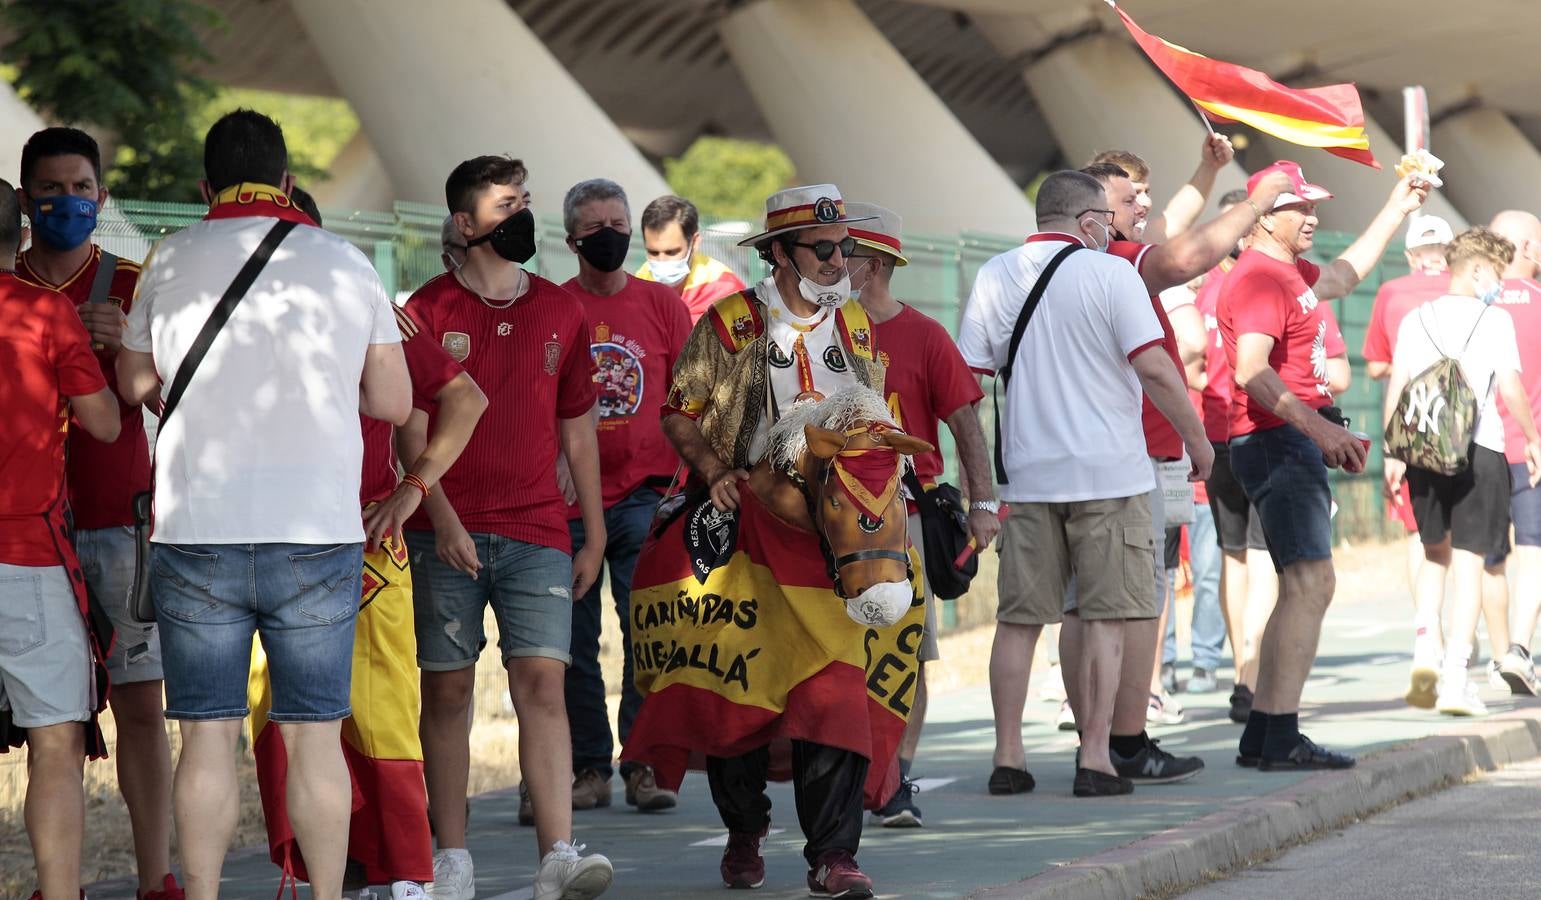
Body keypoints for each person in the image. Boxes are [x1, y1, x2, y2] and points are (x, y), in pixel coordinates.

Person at [115, 109, 413, 900]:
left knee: (206, 739)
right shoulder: (345, 262)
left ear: (205, 186)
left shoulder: (167, 259)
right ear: (286, 182)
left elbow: (136, 384)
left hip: (198, 531)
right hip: (316, 534)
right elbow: (391, 397)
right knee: (315, 739)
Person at [243, 195, 488, 899]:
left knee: (381, 717)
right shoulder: (236, 319)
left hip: (365, 545)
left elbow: (463, 398)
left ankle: (408, 874)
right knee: (280, 713)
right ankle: (327, 877)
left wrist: (413, 489)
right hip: (270, 544)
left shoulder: (367, 311)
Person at [654, 184, 885, 896]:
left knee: (835, 693)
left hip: (829, 541)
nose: (836, 259)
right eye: (822, 249)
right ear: (780, 255)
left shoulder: (855, 324)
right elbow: (678, 411)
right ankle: (744, 826)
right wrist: (716, 472)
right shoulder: (729, 321)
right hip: (746, 532)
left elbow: (872, 417)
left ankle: (833, 855)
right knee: (740, 693)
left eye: (844, 247)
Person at [400, 155, 614, 900]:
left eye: (523, 201)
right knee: (448, 693)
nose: (518, 214)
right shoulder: (426, 309)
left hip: (538, 533)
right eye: (502, 204)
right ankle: (451, 857)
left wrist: (590, 532)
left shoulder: (562, 310)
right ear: (465, 224)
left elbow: (578, 432)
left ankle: (558, 850)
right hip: (443, 536)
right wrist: (442, 517)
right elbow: (411, 427)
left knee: (543, 684)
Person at [960, 170, 1212, 798]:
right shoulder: (1111, 274)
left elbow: (967, 385)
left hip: (1028, 477)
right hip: (1111, 475)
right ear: (1087, 221)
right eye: (1104, 215)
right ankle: (1095, 758)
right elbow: (1154, 367)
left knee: (1020, 621)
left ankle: (1009, 757)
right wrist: (1198, 442)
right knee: (1103, 617)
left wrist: (980, 488)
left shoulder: (996, 274)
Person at [1059, 150, 1290, 786]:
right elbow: (1184, 257)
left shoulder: (1061, 266)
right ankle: (1122, 741)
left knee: (1086, 608)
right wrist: (1257, 201)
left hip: (1083, 459)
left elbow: (1171, 227)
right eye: (1131, 199)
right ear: (1094, 213)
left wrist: (1207, 171)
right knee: (1136, 604)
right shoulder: (1118, 264)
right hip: (1137, 460)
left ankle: (1095, 742)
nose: (1144, 209)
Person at [1219, 160, 1429, 771]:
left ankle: (1265, 731)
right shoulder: (1261, 277)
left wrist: (1396, 208)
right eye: (1299, 207)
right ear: (1263, 214)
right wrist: (1317, 428)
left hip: (1284, 438)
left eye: (1313, 206)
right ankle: (1280, 734)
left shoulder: (1288, 271)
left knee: (1300, 584)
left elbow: (1341, 275)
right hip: (1278, 440)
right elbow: (1250, 370)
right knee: (1313, 583)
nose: (1313, 216)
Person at [15, 126, 180, 900]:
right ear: (25, 199)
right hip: (26, 535)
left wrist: (128, 357)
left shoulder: (131, 285)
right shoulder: (8, 284)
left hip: (119, 517)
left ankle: (158, 879)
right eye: (52, 189)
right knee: (47, 726)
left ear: (103, 197)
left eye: (82, 189)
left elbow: (176, 398)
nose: (68, 203)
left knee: (140, 708)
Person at [844, 201, 998, 827]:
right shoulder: (808, 333)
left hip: (902, 517)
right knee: (832, 651)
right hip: (821, 520)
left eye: (840, 252)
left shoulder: (924, 335)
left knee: (903, 652)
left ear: (873, 262)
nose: (827, 264)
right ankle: (841, 775)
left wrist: (983, 504)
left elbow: (967, 424)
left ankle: (895, 777)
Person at [0, 176, 122, 900]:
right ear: (20, 237)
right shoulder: (45, 312)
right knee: (54, 739)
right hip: (28, 558)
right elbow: (104, 422)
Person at [557, 179, 690, 816]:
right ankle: (587, 765)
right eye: (597, 225)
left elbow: (692, 400)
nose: (610, 233)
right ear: (572, 239)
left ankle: (644, 762)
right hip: (569, 504)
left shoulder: (664, 308)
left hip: (646, 494)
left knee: (649, 631)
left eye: (619, 222)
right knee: (572, 641)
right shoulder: (551, 308)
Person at [1383, 227, 1541, 717]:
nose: (1497, 283)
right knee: (1471, 562)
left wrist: (1393, 450)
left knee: (1434, 554)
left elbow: (1399, 382)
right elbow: (1510, 387)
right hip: (1480, 451)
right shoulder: (1492, 321)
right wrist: (1533, 437)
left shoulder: (1414, 319)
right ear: (1476, 269)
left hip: (1423, 452)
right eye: (1494, 272)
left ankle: (1424, 653)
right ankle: (1456, 677)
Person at [1190, 190, 1278, 725]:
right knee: (1263, 557)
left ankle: (1241, 668)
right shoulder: (1264, 283)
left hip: (1217, 435)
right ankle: (1251, 668)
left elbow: (1193, 363)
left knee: (1232, 556)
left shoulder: (1205, 292)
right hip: (1260, 432)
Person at [1363, 215, 1455, 596]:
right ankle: (1469, 636)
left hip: (1412, 423)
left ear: (1409, 255)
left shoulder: (1391, 292)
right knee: (1468, 538)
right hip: (1467, 422)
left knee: (1420, 534)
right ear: (1451, 253)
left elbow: (1376, 365)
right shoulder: (1465, 289)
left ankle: (1425, 629)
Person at [1485, 211, 1541, 694]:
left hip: (1478, 447)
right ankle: (1520, 649)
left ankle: (1499, 651)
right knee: (1534, 549)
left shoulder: (1471, 305)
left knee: (1488, 557)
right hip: (1532, 447)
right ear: (1527, 248)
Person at [1091, 134, 1235, 244]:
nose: (1146, 202)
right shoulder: (1083, 247)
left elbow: (1174, 220)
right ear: (1100, 201)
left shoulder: (1134, 237)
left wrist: (1210, 165)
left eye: (1146, 192)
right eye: (1131, 197)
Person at [637, 194, 746, 323]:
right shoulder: (639, 283)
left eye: (671, 252)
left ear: (694, 242)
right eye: (653, 252)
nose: (662, 261)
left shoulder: (726, 290)